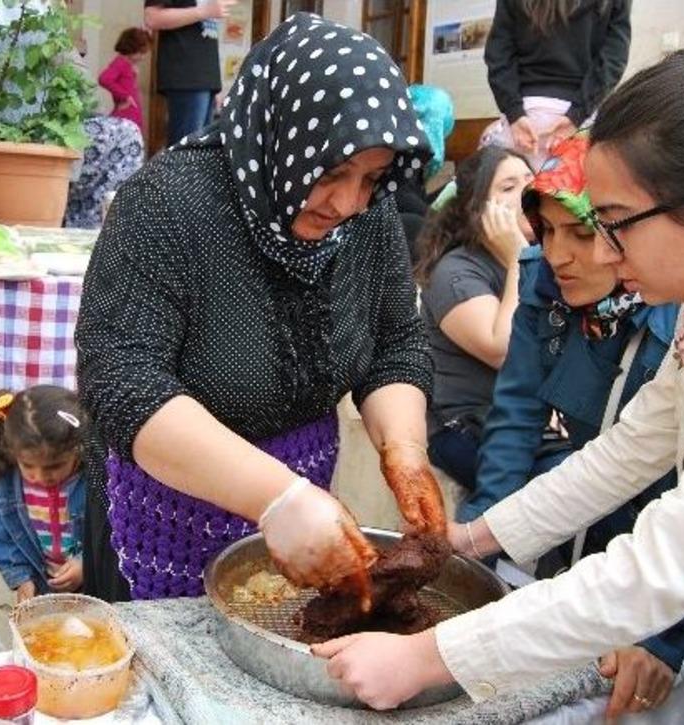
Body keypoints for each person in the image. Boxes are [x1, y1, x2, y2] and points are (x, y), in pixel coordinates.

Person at [313, 29, 684, 722]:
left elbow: (663, 563)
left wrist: (428, 655)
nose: (607, 254)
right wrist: (473, 537)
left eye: (614, 224)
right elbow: (623, 453)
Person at [76, 13, 447, 604]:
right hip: (164, 509)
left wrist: (404, 450)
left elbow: (396, 343)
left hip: (306, 500)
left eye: (372, 178)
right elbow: (123, 381)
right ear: (283, 135)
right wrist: (279, 498)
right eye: (331, 172)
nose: (349, 202)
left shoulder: (368, 219)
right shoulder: (167, 204)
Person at [462, 134, 684, 722]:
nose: (560, 254)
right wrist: (473, 556)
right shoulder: (546, 279)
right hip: (587, 532)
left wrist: (660, 636)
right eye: (547, 230)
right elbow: (519, 418)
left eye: (586, 232)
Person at [413, 147, 534, 496]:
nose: (528, 193)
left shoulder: (547, 258)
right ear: (478, 208)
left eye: (531, 181)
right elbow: (504, 350)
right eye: (509, 187)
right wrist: (517, 260)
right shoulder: (455, 272)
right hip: (464, 427)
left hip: (520, 418)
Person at [481, 0, 631, 167]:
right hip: (582, 118)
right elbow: (614, 59)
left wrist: (515, 114)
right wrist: (577, 115)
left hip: (526, 114)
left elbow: (498, 55)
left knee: (513, 187)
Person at [0, 386, 87, 603]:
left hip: (93, 585)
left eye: (54, 466)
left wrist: (88, 564)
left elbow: (116, 533)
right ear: (13, 452)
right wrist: (21, 579)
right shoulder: (6, 481)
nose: (40, 476)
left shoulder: (97, 479)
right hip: (42, 586)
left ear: (79, 448)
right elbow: (2, 535)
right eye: (28, 465)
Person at [144, 0, 233, 146]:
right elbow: (152, 17)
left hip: (205, 79)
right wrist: (204, 11)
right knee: (185, 154)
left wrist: (214, 83)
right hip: (185, 76)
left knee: (197, 155)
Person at [395, 84, 455, 262]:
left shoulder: (405, 150)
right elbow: (399, 197)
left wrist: (449, 189)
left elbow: (412, 198)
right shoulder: (402, 153)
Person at [99, 27, 151, 133]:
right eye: (141, 52)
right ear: (131, 48)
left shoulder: (127, 65)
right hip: (126, 115)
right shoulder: (120, 63)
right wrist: (125, 96)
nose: (143, 57)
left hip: (131, 115)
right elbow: (104, 79)